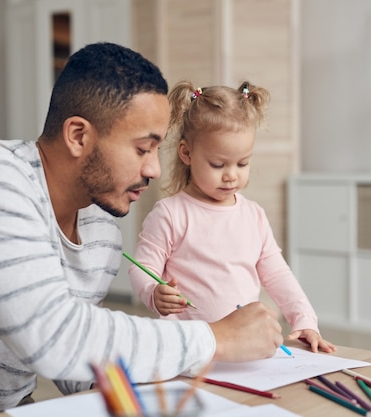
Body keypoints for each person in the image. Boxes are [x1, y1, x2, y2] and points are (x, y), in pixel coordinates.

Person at [0, 43, 283, 416]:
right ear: (78, 135)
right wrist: (216, 338)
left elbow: (78, 365)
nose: (155, 170)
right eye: (142, 149)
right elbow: (55, 337)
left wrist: (174, 385)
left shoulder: (100, 233)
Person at [129, 80, 336, 354]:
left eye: (243, 163)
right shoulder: (170, 214)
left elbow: (277, 274)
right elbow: (141, 267)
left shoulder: (253, 215)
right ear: (187, 153)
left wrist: (305, 320)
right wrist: (154, 291)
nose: (232, 175)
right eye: (218, 164)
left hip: (245, 350)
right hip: (190, 350)